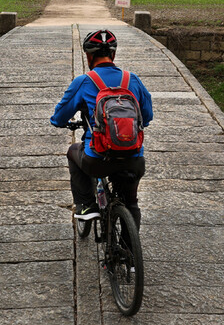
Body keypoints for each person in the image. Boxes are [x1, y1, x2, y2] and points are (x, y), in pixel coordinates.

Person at [50, 29, 153, 230]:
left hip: (97, 161)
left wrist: (60, 122)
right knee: (131, 203)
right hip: (133, 159)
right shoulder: (133, 79)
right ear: (113, 54)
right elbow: (147, 117)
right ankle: (131, 256)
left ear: (89, 56)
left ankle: (87, 206)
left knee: (73, 152)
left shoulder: (84, 81)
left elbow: (59, 117)